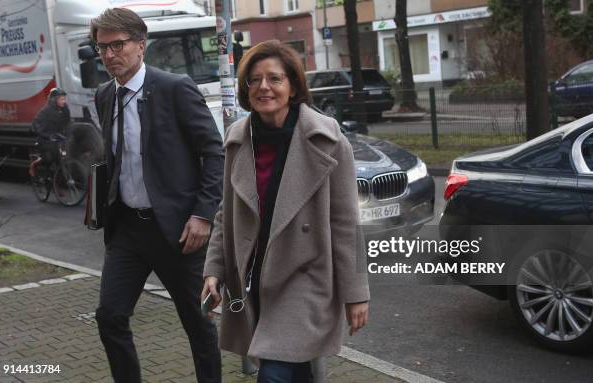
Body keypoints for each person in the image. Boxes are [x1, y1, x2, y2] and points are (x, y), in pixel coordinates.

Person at [202, 40, 370, 382]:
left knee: (274, 374)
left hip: (303, 279)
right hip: (252, 278)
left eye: (275, 79)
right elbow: (225, 215)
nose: (264, 87)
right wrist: (214, 270)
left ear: (293, 87)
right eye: (255, 80)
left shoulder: (327, 139)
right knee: (293, 371)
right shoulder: (237, 140)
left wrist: (356, 294)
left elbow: (345, 223)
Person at [90, 8, 224, 383]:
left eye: (118, 45)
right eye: (102, 48)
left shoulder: (174, 87)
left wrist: (203, 215)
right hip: (128, 231)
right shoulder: (105, 96)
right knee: (110, 316)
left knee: (198, 324)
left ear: (141, 45)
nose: (109, 54)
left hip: (179, 231)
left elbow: (214, 153)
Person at [32, 88, 70, 164]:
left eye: (64, 99)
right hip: (47, 140)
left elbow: (67, 123)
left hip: (60, 138)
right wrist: (48, 136)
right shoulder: (45, 111)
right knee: (54, 156)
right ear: (54, 100)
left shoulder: (65, 109)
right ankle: (49, 173)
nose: (64, 101)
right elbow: (35, 125)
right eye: (62, 99)